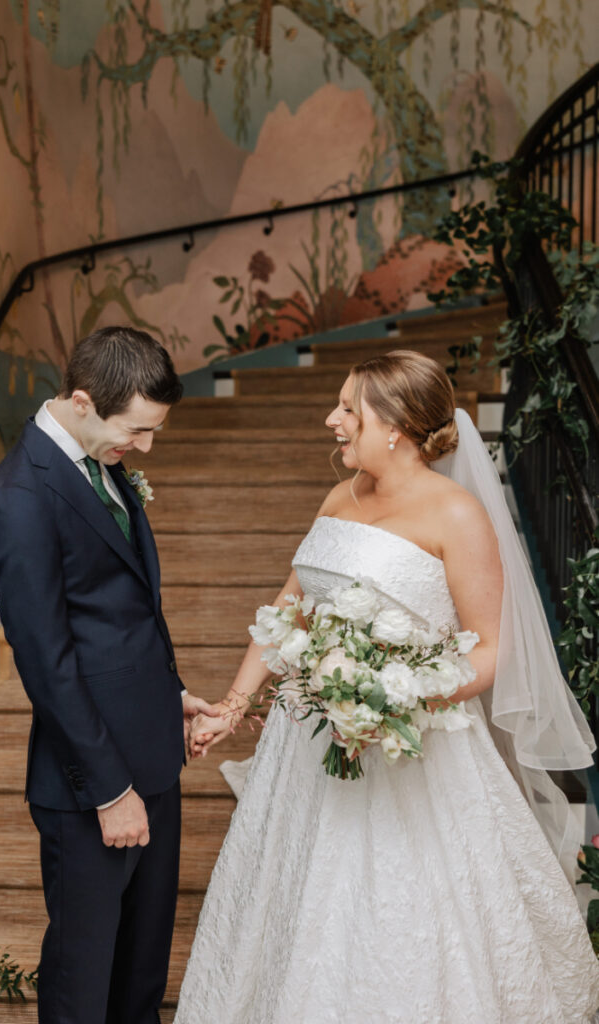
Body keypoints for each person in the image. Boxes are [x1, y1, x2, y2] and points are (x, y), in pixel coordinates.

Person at [179, 350, 599, 1024]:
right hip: (305, 750)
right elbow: (287, 611)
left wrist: (393, 702)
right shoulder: (339, 498)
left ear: (396, 426)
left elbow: (491, 650)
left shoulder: (456, 515)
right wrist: (232, 706)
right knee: (296, 903)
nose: (332, 419)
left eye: (348, 409)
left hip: (411, 751)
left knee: (399, 914)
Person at [0, 326, 217, 1024]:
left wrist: (169, 695)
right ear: (82, 401)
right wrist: (110, 791)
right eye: (136, 430)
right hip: (93, 782)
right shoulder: (21, 495)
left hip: (153, 757)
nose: (145, 447)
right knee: (83, 980)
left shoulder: (98, 457)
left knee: (141, 970)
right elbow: (46, 661)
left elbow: (120, 614)